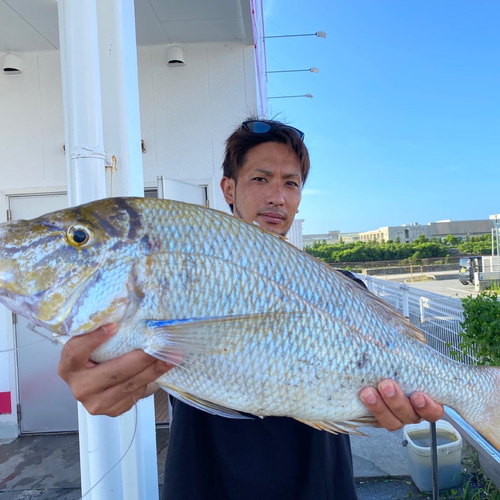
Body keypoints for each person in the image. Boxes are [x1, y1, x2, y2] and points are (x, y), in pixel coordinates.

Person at [58, 118, 444, 499]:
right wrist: (113, 381)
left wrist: (392, 408)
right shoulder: (189, 281)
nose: (277, 196)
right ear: (229, 189)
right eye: (261, 179)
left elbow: (370, 398)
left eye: (290, 183)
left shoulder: (346, 291)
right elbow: (154, 372)